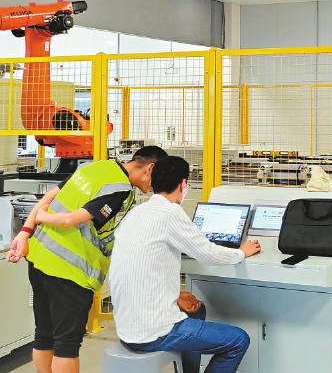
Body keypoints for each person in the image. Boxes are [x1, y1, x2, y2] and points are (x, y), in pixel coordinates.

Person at [6, 145, 168, 373]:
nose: (154, 187)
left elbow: (49, 197)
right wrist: (42, 217)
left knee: (44, 335)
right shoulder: (120, 189)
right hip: (70, 271)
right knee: (66, 344)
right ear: (149, 168)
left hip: (40, 258)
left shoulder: (94, 167)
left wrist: (25, 232)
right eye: (157, 179)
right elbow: (71, 220)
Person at [110, 156, 261, 373]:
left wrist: (176, 294)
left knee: (197, 310)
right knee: (238, 340)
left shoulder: (137, 212)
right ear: (183, 184)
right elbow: (208, 253)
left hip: (127, 328)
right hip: (153, 332)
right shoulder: (170, 212)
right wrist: (241, 252)